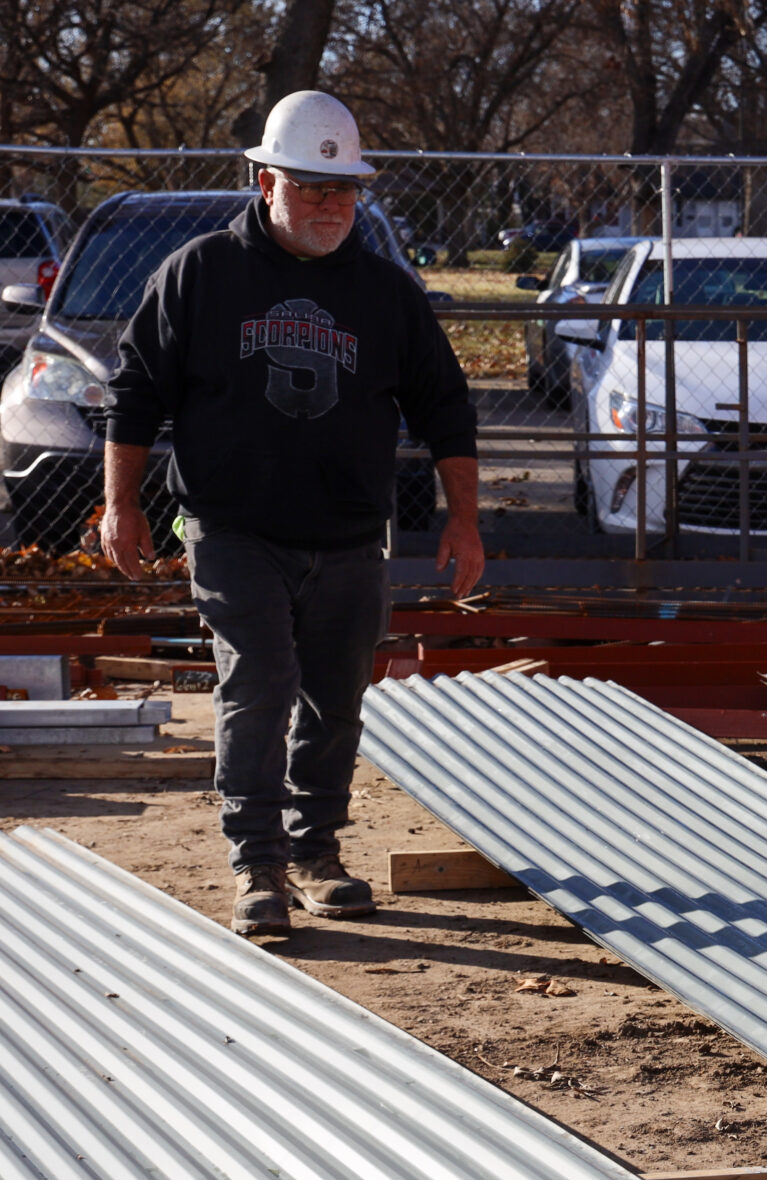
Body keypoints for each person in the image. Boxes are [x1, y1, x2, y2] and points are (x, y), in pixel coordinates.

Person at [102, 89, 483, 938]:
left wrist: (464, 519)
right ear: (266, 179)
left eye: (343, 189)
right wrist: (119, 504)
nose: (330, 205)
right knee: (259, 682)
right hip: (235, 530)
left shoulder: (386, 292)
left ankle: (315, 849)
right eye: (311, 186)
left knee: (336, 698)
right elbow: (134, 395)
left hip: (350, 536)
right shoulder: (200, 274)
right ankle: (258, 864)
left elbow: (446, 408)